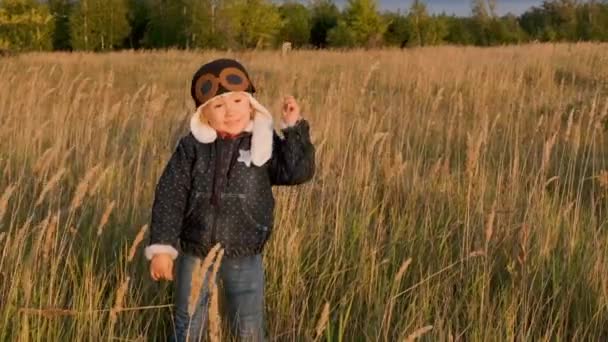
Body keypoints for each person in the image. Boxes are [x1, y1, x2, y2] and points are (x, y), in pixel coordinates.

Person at [144, 58, 315, 341]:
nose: (230, 111)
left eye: (237, 100)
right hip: (196, 250)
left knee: (248, 324)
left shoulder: (262, 142)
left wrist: (294, 127)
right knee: (188, 322)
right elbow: (170, 196)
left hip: (244, 251)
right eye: (219, 105)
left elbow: (297, 172)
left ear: (250, 103)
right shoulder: (192, 148)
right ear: (204, 113)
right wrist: (162, 248)